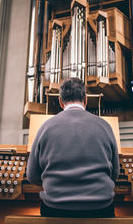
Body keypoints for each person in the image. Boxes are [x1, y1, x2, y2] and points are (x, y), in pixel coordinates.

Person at [27, 77, 120, 218]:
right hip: (100, 208)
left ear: (60, 101)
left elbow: (32, 176)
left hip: (55, 208)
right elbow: (114, 175)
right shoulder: (105, 126)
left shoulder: (45, 127)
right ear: (86, 100)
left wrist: (53, 183)